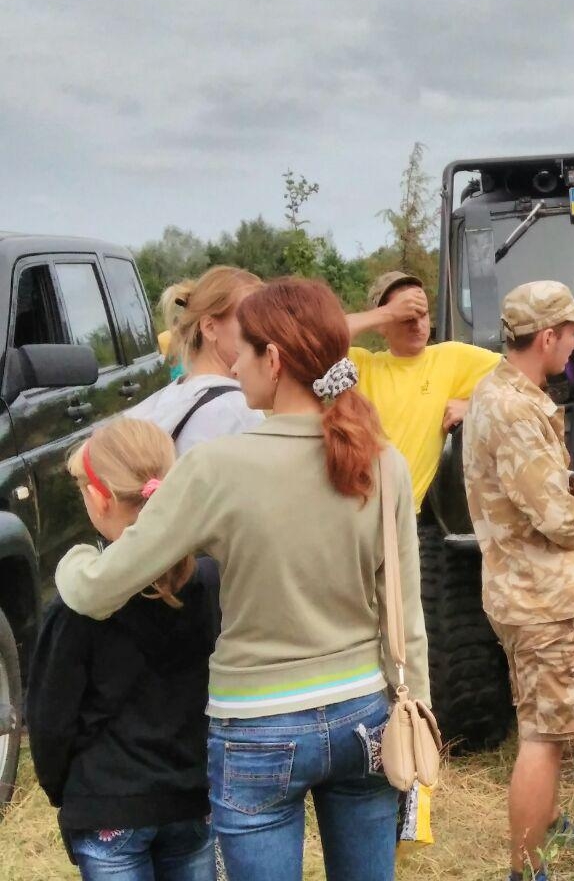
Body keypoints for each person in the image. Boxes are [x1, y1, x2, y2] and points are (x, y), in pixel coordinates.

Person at [55, 278, 428, 881]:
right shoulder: (383, 460)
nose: (234, 365)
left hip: (258, 724)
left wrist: (72, 560)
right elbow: (405, 612)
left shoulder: (216, 467)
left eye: (245, 351)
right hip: (365, 714)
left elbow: (101, 589)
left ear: (273, 359)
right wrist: (419, 714)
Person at [462, 281, 574, 881]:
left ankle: (547, 822)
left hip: (519, 588)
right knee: (543, 737)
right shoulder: (514, 408)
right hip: (540, 596)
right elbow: (551, 515)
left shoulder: (502, 391)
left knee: (541, 720)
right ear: (547, 337)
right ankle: (527, 871)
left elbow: (535, 476)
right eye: (573, 332)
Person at [27, 419, 219, 881]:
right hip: (190, 794)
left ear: (99, 499)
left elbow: (50, 718)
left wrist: (66, 792)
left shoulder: (76, 606)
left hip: (106, 801)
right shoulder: (210, 581)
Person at [346, 270, 501, 510]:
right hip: (351, 508)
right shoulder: (361, 365)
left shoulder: (451, 358)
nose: (418, 325)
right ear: (382, 326)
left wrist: (476, 406)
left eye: (423, 314)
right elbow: (315, 338)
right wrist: (387, 312)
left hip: (405, 516)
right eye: (406, 317)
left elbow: (525, 376)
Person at [131, 267, 265, 454]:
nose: (262, 333)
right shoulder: (239, 410)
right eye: (249, 322)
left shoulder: (171, 396)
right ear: (209, 327)